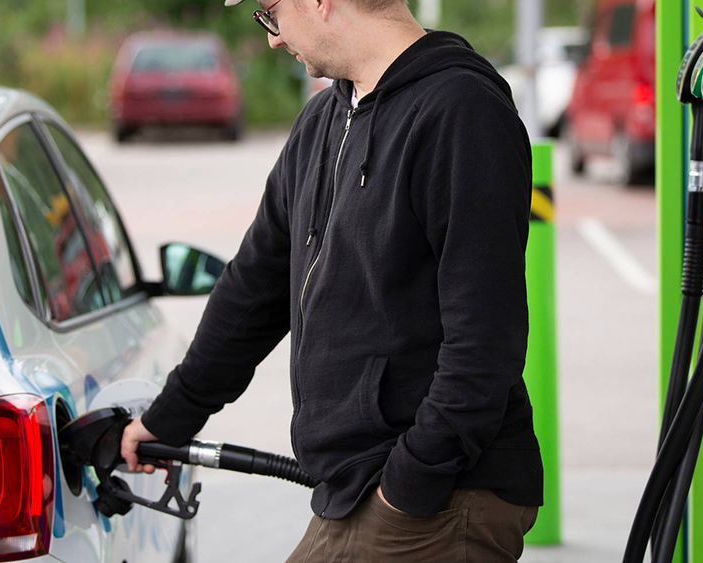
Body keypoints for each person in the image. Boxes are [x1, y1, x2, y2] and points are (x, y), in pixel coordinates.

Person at [121, 0, 543, 560]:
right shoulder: (324, 120)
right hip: (363, 488)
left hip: (438, 498)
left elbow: (485, 340)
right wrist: (170, 416)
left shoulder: (461, 111)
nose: (272, 37)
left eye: (269, 12)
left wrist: (411, 482)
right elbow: (255, 287)